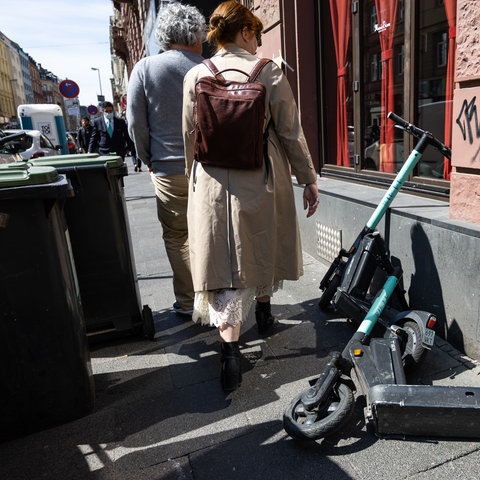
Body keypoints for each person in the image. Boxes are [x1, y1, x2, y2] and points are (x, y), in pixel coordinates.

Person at [182, 1, 319, 393]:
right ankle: (264, 310)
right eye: (256, 33)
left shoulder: (196, 75)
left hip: (210, 180)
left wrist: (190, 180)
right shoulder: (268, 72)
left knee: (224, 259)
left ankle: (229, 353)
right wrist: (307, 178)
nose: (259, 41)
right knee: (260, 242)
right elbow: (291, 132)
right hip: (259, 175)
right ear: (244, 31)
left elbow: (189, 137)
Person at [127, 2, 206, 316]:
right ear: (196, 35)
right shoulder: (209, 67)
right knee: (213, 232)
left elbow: (135, 123)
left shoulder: (145, 68)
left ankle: (189, 302)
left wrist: (148, 157)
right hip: (210, 167)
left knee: (178, 235)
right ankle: (220, 299)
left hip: (168, 167)